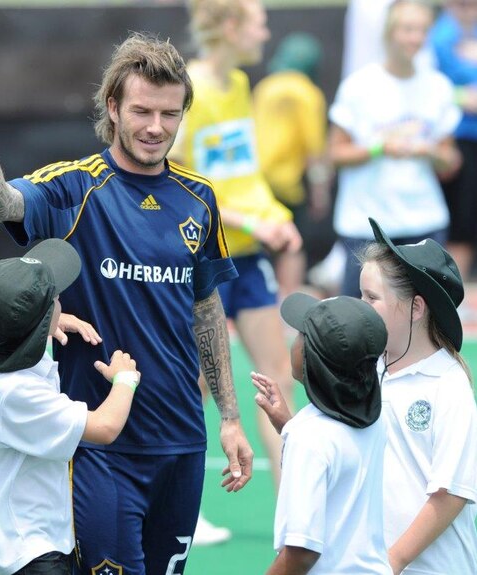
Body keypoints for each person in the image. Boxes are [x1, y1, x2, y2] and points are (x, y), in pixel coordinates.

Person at [0, 31, 253, 573]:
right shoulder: (73, 187)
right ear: (112, 107)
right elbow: (0, 204)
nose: (156, 127)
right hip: (99, 445)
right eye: (141, 111)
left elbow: (206, 309)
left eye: (170, 113)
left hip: (182, 439)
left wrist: (229, 417)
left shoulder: (199, 198)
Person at [168, 0, 300, 497]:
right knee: (193, 387)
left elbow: (243, 175)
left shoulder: (241, 86)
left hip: (246, 257)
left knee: (277, 381)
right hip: (201, 259)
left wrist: (274, 219)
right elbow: (179, 184)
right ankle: (171, 502)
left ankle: (296, 511)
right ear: (230, 27)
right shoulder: (190, 88)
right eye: (259, 22)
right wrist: (250, 221)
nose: (265, 33)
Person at [0, 239, 140, 575]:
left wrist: (45, 325)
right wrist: (124, 380)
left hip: (18, 547)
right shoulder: (18, 393)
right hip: (35, 554)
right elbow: (104, 427)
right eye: (56, 301)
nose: (61, 302)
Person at [359, 218, 477, 575]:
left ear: (416, 308)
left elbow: (452, 493)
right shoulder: (368, 369)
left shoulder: (448, 384)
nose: (360, 305)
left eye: (372, 298)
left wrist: (392, 562)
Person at [329, 0, 462, 298]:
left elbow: (450, 162)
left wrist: (429, 152)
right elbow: (335, 154)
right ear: (390, 32)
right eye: (408, 29)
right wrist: (380, 148)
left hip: (423, 221)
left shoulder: (438, 87)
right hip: (366, 223)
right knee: (361, 321)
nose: (415, 38)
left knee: (426, 320)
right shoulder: (359, 86)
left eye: (422, 30)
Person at [253, 293, 392, 574]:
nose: (294, 340)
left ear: (311, 358)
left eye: (301, 336)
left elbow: (302, 553)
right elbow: (339, 458)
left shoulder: (309, 439)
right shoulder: (374, 418)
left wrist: (298, 434)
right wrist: (289, 426)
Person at [254, 32, 333, 297]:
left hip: (258, 178)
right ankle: (288, 298)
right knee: (292, 243)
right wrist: (320, 192)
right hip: (290, 181)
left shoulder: (266, 86)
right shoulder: (309, 93)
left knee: (259, 242)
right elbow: (314, 148)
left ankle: (262, 297)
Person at [430, 0, 477, 284]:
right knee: (460, 223)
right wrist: (461, 97)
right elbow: (431, 86)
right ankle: (450, 294)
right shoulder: (440, 36)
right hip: (458, 139)